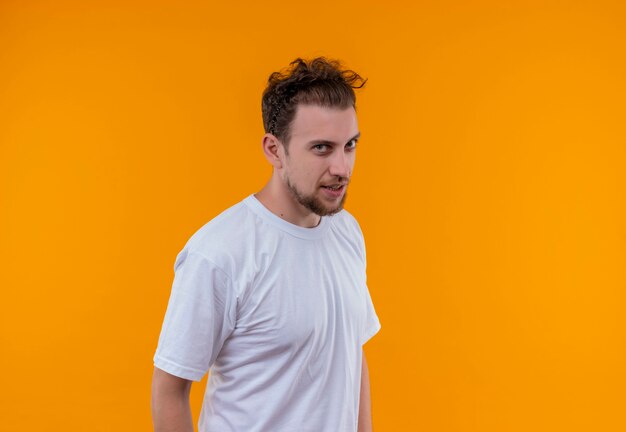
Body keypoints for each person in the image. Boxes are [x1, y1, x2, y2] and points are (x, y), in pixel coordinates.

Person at [151, 57, 381, 432]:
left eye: (350, 145)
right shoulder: (219, 253)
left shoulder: (347, 231)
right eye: (322, 148)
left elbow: (351, 356)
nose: (342, 167)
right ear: (274, 150)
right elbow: (169, 388)